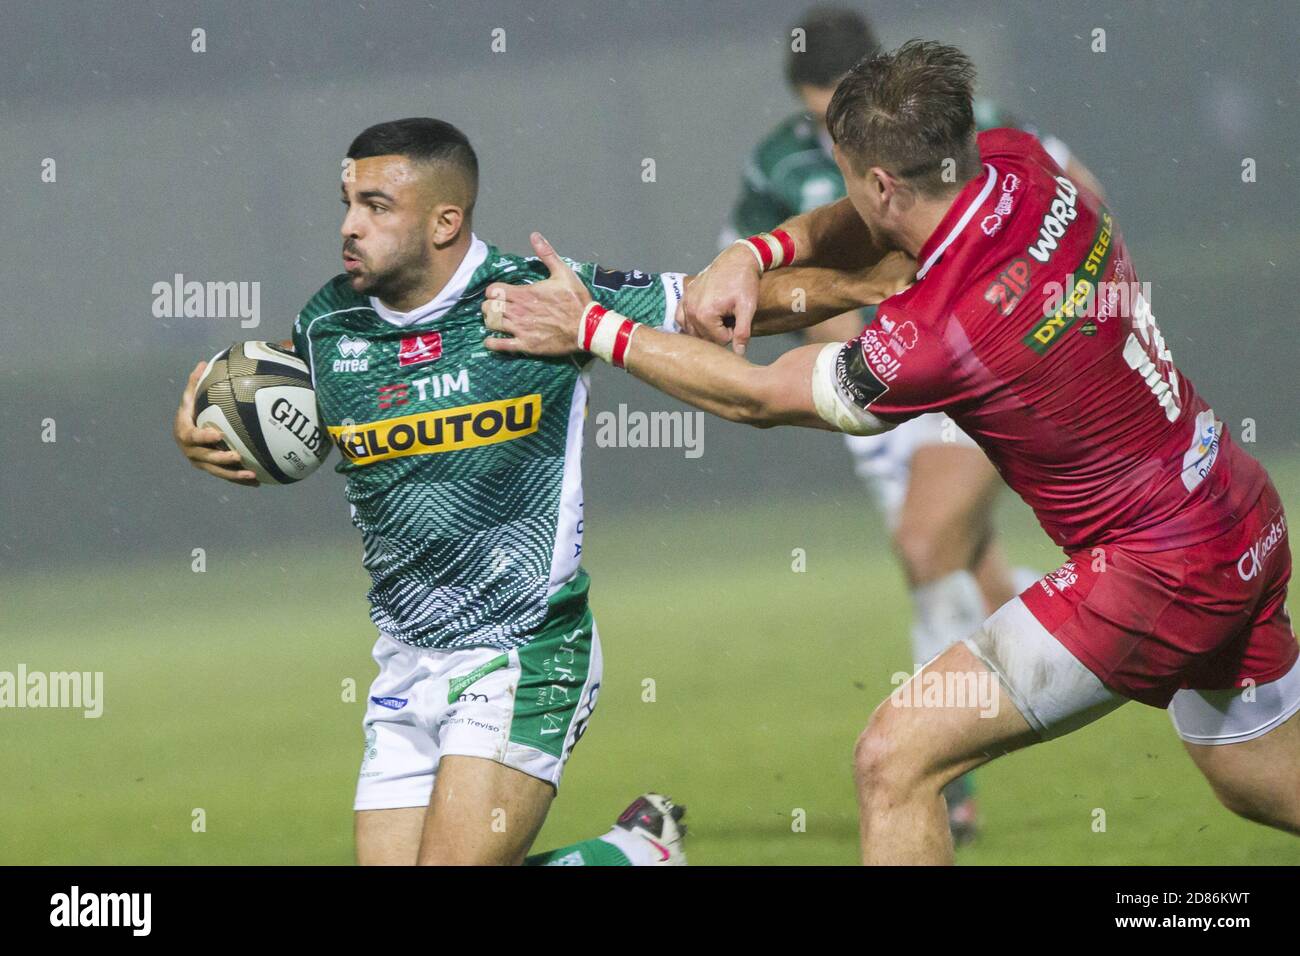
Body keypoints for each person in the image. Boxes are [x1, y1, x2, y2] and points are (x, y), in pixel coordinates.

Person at [479, 42, 1300, 865]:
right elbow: (872, 248)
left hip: (1157, 569)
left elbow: (758, 396)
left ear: (879, 183)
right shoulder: (1020, 169)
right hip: (1237, 508)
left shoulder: (942, 334)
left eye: (848, 174)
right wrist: (751, 255)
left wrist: (591, 330)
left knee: (894, 760)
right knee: (1255, 772)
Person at [173, 117, 902, 865]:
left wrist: (873, 284)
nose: (349, 226)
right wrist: (207, 431)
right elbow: (284, 415)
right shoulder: (328, 325)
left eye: (376, 206)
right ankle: (633, 856)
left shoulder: (537, 297)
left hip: (525, 651)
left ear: (445, 221)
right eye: (347, 202)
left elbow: (713, 309)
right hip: (405, 660)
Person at [722, 6, 1104, 841]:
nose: (830, 139)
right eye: (817, 114)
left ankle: (945, 770)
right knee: (975, 571)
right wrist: (817, 313)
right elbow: (765, 287)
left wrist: (1074, 299)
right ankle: (1138, 625)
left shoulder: (977, 130)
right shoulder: (778, 163)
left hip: (972, 371)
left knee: (926, 543)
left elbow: (1084, 197)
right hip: (881, 385)